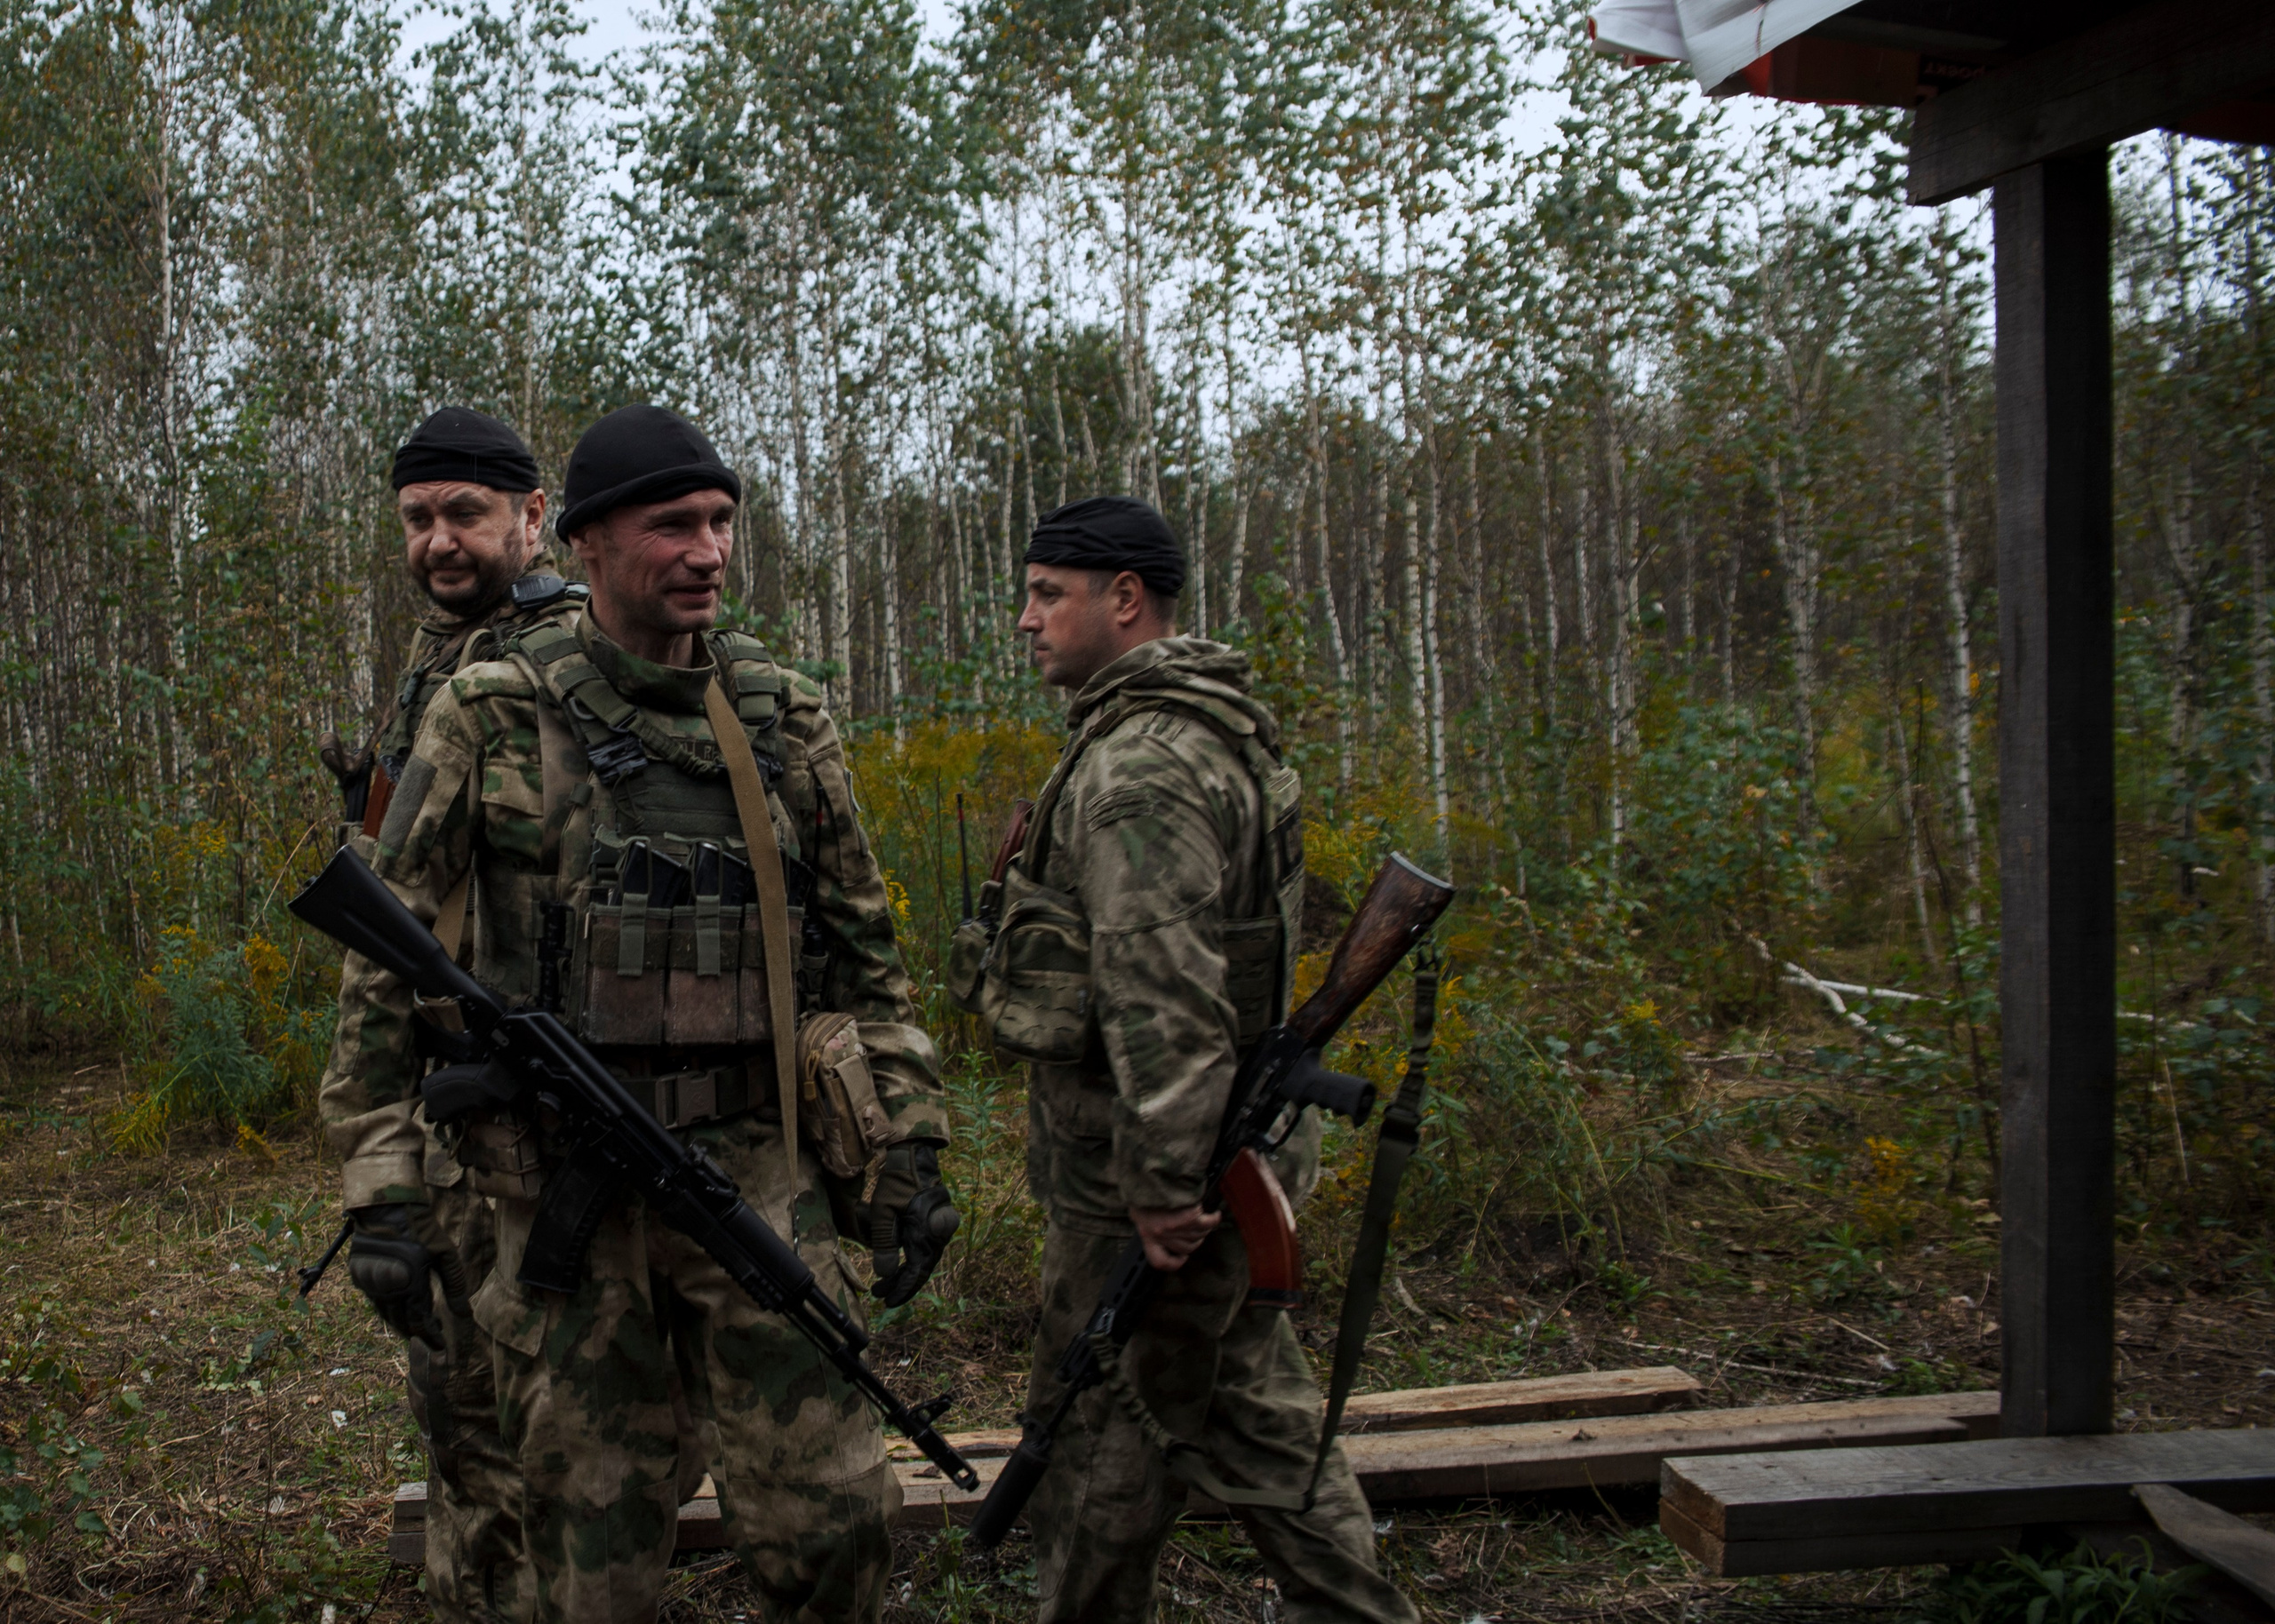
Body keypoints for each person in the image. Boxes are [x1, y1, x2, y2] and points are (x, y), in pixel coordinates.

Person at [318, 403, 952, 1624]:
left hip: (756, 1175)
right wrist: (383, 1184)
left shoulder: (783, 718)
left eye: (721, 523)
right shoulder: (492, 715)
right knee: (584, 1553)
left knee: (835, 1521)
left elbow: (869, 961)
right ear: (596, 543)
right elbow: (381, 967)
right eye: (674, 526)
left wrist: (908, 1152)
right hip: (570, 1195)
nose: (708, 551)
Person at [998, 496, 1418, 1624]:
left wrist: (1160, 1183)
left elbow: (1162, 993)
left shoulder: (1143, 768)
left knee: (1099, 1443)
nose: (1026, 619)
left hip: (1158, 1181)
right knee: (1255, 1415)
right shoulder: (1211, 724)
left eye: (1048, 594)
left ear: (1122, 600)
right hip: (1226, 1152)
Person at [317, 406, 584, 1624]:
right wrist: (384, 1167)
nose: (439, 541)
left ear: (535, 516)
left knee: (541, 1443)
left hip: (550, 1136)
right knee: (463, 1427)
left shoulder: (567, 668)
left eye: (465, 513)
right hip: (453, 1122)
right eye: (418, 518)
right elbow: (388, 944)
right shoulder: (443, 664)